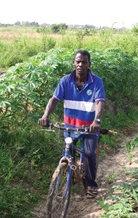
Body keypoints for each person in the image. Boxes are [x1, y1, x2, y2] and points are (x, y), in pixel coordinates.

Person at [38, 50, 105, 199]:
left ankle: (91, 184)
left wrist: (97, 121)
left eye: (84, 62)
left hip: (89, 127)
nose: (81, 64)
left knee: (88, 154)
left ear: (89, 64)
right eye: (78, 61)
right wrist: (45, 116)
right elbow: (54, 99)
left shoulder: (96, 82)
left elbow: (100, 102)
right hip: (70, 127)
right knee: (68, 154)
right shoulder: (65, 81)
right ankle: (68, 178)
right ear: (74, 63)